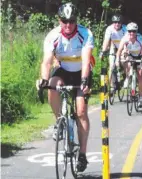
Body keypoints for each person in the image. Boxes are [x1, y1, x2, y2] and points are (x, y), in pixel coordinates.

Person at [36, 3, 93, 172]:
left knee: (81, 112)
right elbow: (47, 61)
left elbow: (85, 61)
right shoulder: (52, 35)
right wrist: (44, 80)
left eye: (72, 21)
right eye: (64, 21)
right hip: (63, 70)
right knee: (52, 85)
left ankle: (82, 154)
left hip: (81, 71)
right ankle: (59, 121)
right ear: (59, 20)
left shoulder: (85, 34)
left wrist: (84, 80)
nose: (68, 25)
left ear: (76, 20)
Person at [116, 22, 142, 107]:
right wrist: (117, 59)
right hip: (130, 56)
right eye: (130, 31)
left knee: (140, 75)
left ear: (136, 32)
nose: (131, 33)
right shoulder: (125, 38)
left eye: (133, 31)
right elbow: (119, 50)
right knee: (127, 63)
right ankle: (127, 77)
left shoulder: (141, 38)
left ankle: (141, 98)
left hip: (139, 56)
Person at [100, 14, 127, 91]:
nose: (117, 24)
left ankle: (126, 76)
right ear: (113, 23)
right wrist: (103, 51)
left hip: (124, 47)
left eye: (119, 22)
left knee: (123, 62)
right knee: (111, 66)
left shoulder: (125, 29)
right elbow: (106, 41)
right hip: (114, 46)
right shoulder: (109, 29)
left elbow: (127, 42)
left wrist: (124, 51)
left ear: (121, 23)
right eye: (115, 22)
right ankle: (112, 86)